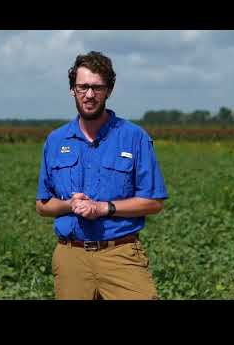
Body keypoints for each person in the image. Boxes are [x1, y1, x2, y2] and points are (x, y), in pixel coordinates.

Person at [36, 51, 168, 300]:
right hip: (70, 256)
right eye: (82, 86)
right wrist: (69, 204)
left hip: (120, 253)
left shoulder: (134, 137)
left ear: (109, 90)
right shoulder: (55, 140)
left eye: (97, 87)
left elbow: (154, 202)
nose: (89, 94)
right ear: (72, 89)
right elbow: (42, 205)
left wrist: (103, 208)